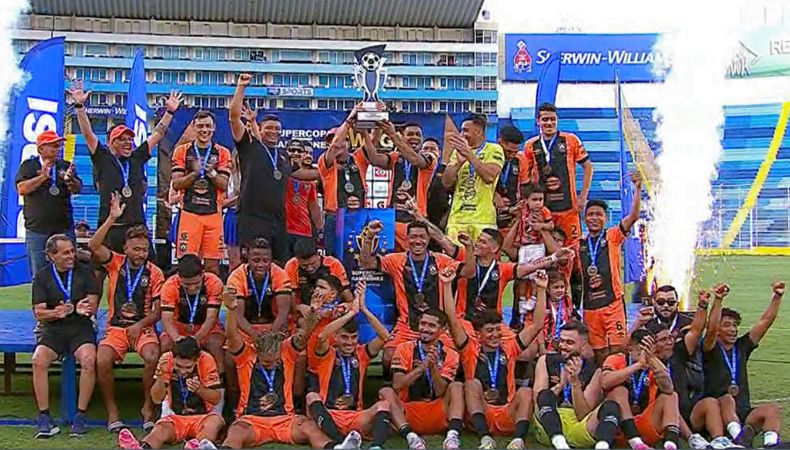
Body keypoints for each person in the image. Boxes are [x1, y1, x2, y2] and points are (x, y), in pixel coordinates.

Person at [69, 82, 181, 252]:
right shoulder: (103, 158)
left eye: (130, 139)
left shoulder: (137, 157)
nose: (128, 143)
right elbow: (87, 133)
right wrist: (80, 106)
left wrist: (170, 112)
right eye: (122, 139)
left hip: (137, 227)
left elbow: (157, 134)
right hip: (111, 226)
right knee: (104, 266)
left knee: (148, 265)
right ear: (111, 143)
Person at [443, 268, 549, 449]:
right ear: (479, 334)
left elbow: (538, 324)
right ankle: (485, 438)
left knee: (525, 392)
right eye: (490, 331)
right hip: (480, 412)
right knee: (471, 384)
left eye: (498, 330)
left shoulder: (510, 347)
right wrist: (446, 285)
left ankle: (518, 440)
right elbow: (452, 319)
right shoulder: (469, 348)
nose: (495, 334)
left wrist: (541, 289)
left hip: (507, 413)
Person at [220, 291, 340, 449]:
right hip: (252, 420)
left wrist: (313, 311)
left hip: (285, 420)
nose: (271, 364)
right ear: (257, 351)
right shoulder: (246, 355)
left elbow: (304, 334)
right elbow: (231, 336)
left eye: (274, 360)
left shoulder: (287, 352)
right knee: (235, 432)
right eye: (266, 361)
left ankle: (335, 448)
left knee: (309, 427)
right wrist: (231, 310)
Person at [89, 193, 165, 432]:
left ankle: (147, 407)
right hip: (116, 328)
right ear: (125, 248)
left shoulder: (154, 272)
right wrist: (112, 218)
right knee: (102, 359)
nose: (140, 254)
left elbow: (158, 311)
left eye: (144, 250)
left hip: (143, 328)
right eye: (136, 249)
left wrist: (140, 325)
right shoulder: (116, 262)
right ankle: (112, 411)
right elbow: (93, 246)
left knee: (152, 356)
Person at [357, 220, 458, 374]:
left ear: (429, 239)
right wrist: (369, 237)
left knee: (452, 357)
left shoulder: (441, 260)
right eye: (413, 236)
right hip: (406, 326)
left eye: (422, 237)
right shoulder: (395, 260)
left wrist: (462, 246)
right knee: (389, 358)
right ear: (407, 238)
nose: (418, 241)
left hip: (436, 326)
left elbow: (469, 270)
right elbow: (366, 263)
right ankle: (396, 388)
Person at [644, 290, 738, 449]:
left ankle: (719, 440)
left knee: (710, 403)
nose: (669, 342)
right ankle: (692, 440)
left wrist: (702, 305)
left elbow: (696, 330)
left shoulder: (678, 352)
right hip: (661, 416)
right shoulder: (644, 362)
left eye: (670, 338)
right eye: (663, 340)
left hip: (689, 413)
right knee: (670, 398)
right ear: (652, 343)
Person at [306, 282, 393, 448]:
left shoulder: (361, 354)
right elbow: (322, 336)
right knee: (312, 397)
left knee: (384, 405)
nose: (350, 342)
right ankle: (341, 442)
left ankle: (376, 446)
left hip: (354, 416)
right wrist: (351, 313)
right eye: (344, 337)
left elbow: (385, 337)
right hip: (328, 415)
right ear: (336, 337)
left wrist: (364, 310)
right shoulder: (327, 354)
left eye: (354, 338)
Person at [31, 234, 99, 438]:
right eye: (65, 253)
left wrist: (81, 309)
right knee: (38, 360)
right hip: (53, 329)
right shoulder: (42, 276)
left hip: (80, 328)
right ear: (52, 256)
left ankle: (80, 415)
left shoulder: (85, 272)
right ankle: (44, 416)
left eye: (72, 251)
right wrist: (56, 313)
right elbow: (39, 312)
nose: (71, 256)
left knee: (89, 359)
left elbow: (93, 305)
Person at [703, 281, 785, 448]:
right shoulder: (710, 348)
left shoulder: (742, 347)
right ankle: (738, 438)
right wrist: (718, 300)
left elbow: (765, 322)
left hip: (743, 414)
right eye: (727, 325)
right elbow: (711, 330)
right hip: (718, 413)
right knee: (727, 399)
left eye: (735, 325)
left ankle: (770, 445)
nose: (733, 329)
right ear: (718, 330)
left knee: (772, 410)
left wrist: (777, 296)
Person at [455, 228, 572, 335]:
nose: (477, 244)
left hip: (495, 324)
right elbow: (446, 244)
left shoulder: (503, 269)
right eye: (478, 240)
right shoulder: (465, 257)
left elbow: (532, 266)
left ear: (494, 249)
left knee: (514, 343)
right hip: (465, 320)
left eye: (483, 242)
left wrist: (554, 257)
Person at [378, 307, 465, 450]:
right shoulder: (404, 348)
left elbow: (440, 391)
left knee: (457, 387)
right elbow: (397, 385)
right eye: (423, 324)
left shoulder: (451, 354)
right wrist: (420, 369)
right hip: (408, 412)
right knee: (385, 391)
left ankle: (452, 436)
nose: (425, 329)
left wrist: (433, 368)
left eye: (432, 325)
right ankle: (411, 437)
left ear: (443, 329)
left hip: (437, 410)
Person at [117, 337, 224, 450]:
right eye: (178, 366)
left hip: (204, 417)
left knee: (214, 423)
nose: (182, 371)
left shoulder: (206, 359)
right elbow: (156, 399)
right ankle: (141, 447)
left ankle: (197, 446)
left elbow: (216, 399)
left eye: (188, 367)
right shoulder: (166, 359)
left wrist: (200, 390)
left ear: (196, 360)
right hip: (175, 417)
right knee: (160, 429)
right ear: (173, 358)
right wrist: (162, 376)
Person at [230, 74, 292, 262]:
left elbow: (305, 173)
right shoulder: (249, 146)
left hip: (278, 219)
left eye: (277, 129)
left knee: (279, 264)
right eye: (269, 128)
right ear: (260, 129)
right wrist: (241, 86)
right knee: (253, 263)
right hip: (252, 217)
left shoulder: (283, 155)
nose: (274, 132)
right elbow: (234, 118)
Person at [532, 321, 622, 449]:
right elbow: (537, 400)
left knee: (611, 406)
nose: (563, 346)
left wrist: (574, 383)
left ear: (583, 345)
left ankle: (602, 446)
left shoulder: (594, 370)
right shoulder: (546, 361)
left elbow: (583, 415)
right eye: (561, 341)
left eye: (569, 342)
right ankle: (559, 441)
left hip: (578, 426)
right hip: (548, 422)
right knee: (545, 394)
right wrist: (560, 385)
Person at [579, 174, 641, 359]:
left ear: (606, 218)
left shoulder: (613, 235)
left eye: (599, 214)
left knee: (618, 351)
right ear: (584, 218)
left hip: (613, 303)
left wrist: (637, 189)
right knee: (599, 355)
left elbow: (633, 217)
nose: (594, 218)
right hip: (590, 306)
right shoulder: (578, 244)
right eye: (590, 214)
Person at [171, 110, 232, 276]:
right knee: (187, 264)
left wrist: (211, 173)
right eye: (200, 126)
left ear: (214, 128)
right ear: (194, 127)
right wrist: (194, 174)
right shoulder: (182, 151)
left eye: (208, 126)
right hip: (189, 214)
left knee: (212, 266)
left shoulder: (222, 152)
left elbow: (224, 185)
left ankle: (211, 293)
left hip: (213, 215)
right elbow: (176, 184)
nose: (204, 130)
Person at [523, 102, 594, 245]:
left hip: (568, 208)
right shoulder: (530, 145)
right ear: (538, 121)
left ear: (557, 120)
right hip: (543, 209)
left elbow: (588, 166)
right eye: (545, 119)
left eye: (552, 119)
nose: (549, 123)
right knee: (543, 249)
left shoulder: (571, 140)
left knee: (573, 248)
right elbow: (526, 177)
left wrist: (583, 196)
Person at [16, 130, 83, 275]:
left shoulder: (65, 165)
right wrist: (42, 178)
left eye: (58, 146)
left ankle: (66, 291)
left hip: (63, 228)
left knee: (68, 270)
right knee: (39, 272)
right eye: (53, 145)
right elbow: (22, 189)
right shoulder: (29, 165)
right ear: (41, 149)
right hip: (37, 229)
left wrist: (71, 180)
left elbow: (77, 189)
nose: (57, 149)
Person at [364, 121, 438, 250]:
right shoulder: (395, 157)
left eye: (418, 135)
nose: (414, 137)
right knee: (391, 256)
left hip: (416, 218)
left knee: (412, 257)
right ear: (403, 137)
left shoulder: (429, 157)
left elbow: (415, 160)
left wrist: (393, 135)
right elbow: (374, 159)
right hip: (393, 217)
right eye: (410, 134)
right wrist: (365, 133)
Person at [601, 329, 679, 450]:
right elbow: (605, 382)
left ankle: (670, 444)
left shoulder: (654, 363)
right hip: (618, 425)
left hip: (645, 422)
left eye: (648, 349)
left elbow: (669, 388)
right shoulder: (616, 359)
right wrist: (637, 365)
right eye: (640, 350)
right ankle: (635, 441)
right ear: (630, 348)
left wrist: (652, 359)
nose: (643, 354)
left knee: (671, 396)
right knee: (619, 391)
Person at [441, 114, 505, 242]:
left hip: (483, 220)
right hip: (457, 220)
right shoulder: (457, 152)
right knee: (455, 254)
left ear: (478, 132)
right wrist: (458, 163)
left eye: (465, 130)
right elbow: (446, 183)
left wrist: (469, 155)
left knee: (482, 253)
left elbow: (489, 176)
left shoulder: (494, 149)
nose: (461, 134)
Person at [159, 255, 226, 377]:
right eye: (187, 284)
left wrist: (196, 339)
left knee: (216, 344)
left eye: (196, 283)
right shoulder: (169, 285)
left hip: (208, 328)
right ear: (179, 277)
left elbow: (211, 318)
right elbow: (167, 319)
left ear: (202, 274)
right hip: (179, 327)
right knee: (165, 344)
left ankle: (220, 381)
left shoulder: (214, 282)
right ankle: (166, 379)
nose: (192, 288)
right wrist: (177, 339)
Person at [284, 239, 353, 307]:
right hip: (301, 308)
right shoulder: (291, 265)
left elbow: (346, 293)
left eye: (313, 263)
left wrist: (347, 305)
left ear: (318, 254)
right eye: (304, 265)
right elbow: (290, 297)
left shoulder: (333, 264)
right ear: (297, 259)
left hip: (329, 306)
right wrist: (298, 307)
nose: (309, 268)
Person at [285, 140, 322, 256]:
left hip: (304, 230)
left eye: (300, 151)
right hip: (282, 229)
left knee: (303, 263)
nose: (296, 153)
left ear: (304, 154)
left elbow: (313, 207)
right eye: (292, 150)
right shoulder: (279, 174)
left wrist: (319, 229)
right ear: (286, 152)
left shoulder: (309, 180)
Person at [494, 125, 531, 232]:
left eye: (515, 152)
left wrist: (522, 204)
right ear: (499, 142)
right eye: (508, 151)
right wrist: (494, 194)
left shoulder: (520, 159)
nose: (511, 155)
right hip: (490, 211)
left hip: (512, 212)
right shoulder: (488, 155)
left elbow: (525, 187)